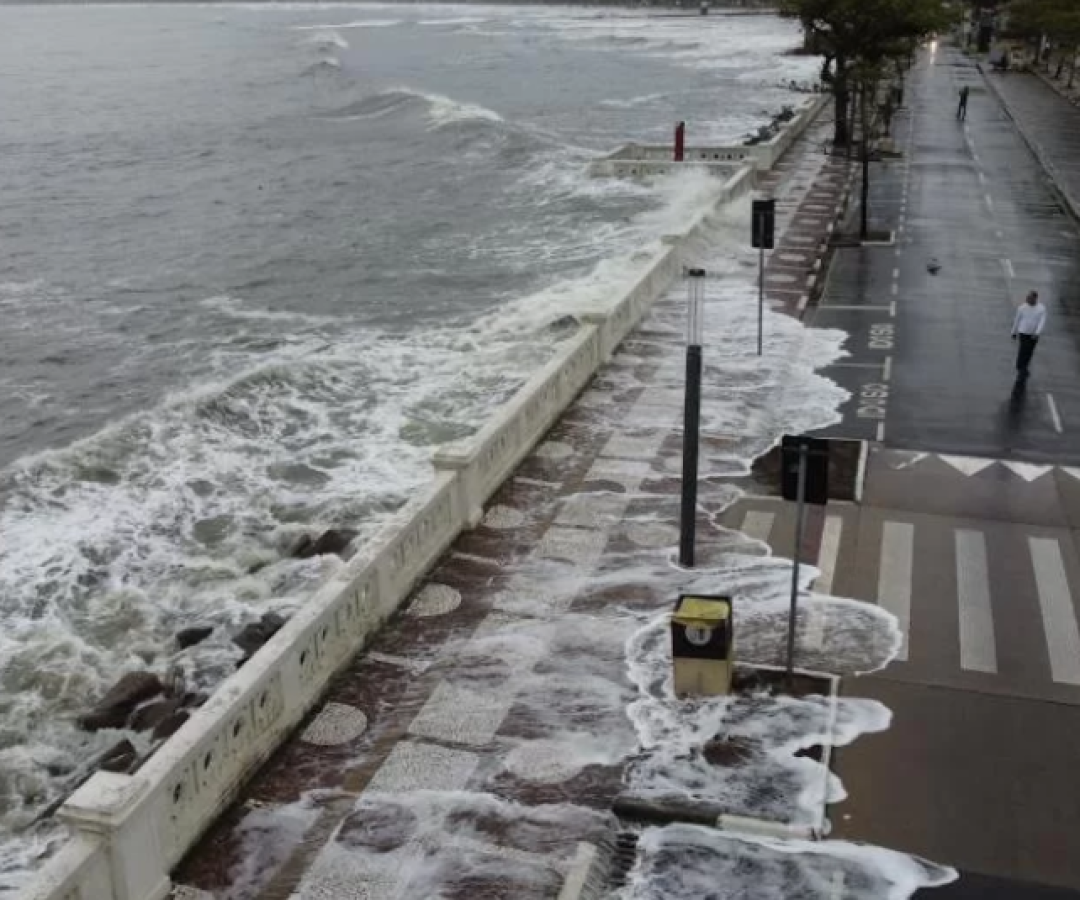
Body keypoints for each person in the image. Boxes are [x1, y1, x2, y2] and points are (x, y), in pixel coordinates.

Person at [1012, 290, 1046, 380]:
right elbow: (1017, 320)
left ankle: (1025, 366)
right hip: (1023, 332)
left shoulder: (1041, 309)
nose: (1027, 299)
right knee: (1023, 349)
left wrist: (1037, 333)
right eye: (1027, 298)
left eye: (1030, 298)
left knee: (1030, 351)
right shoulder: (1022, 308)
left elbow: (1041, 322)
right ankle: (1020, 366)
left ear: (1035, 298)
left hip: (1034, 334)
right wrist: (1014, 332)